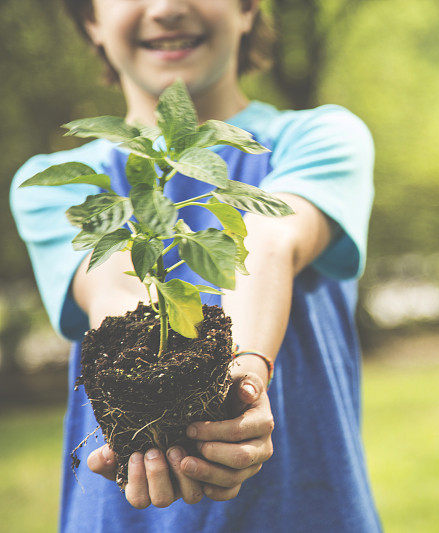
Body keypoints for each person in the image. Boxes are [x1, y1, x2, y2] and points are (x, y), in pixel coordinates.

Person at [9, 0, 382, 531]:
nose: (165, 8)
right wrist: (159, 408)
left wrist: (246, 372)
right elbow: (117, 288)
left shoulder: (318, 139)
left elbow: (268, 238)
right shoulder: (61, 182)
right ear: (90, 19)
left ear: (249, 9)